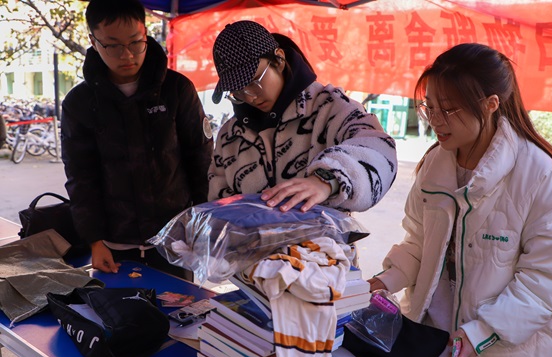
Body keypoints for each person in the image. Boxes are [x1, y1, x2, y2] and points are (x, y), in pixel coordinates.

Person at [368, 43, 552, 357]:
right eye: (429, 107)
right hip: (437, 339)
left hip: (508, 349)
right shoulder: (434, 165)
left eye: (448, 109)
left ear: (490, 104)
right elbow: (419, 242)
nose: (435, 120)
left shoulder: (537, 174)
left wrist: (483, 332)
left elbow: (551, 277)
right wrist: (384, 280)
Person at [61, 0, 213, 279]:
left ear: (145, 33)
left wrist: (201, 224)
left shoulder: (177, 89)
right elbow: (81, 177)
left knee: (182, 306)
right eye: (113, 45)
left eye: (135, 42)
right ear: (93, 41)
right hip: (114, 244)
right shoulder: (79, 103)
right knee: (119, 307)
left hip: (176, 239)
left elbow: (201, 161)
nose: (127, 54)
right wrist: (94, 240)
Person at [208, 20, 397, 213]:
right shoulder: (229, 136)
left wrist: (327, 179)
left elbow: (381, 149)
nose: (250, 97)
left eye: (254, 82)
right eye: (238, 91)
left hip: (322, 234)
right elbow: (219, 207)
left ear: (279, 60)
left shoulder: (329, 107)